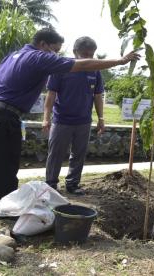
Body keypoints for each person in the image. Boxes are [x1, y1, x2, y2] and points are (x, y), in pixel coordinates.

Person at [0, 28, 140, 214]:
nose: (56, 54)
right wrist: (120, 61)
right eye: (55, 50)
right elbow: (82, 65)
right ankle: (8, 216)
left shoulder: (15, 55)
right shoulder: (39, 57)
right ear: (43, 44)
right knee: (5, 167)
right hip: (2, 116)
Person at [43, 36, 105, 195]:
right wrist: (46, 117)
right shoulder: (62, 67)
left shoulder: (95, 70)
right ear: (75, 52)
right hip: (62, 120)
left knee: (79, 154)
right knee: (56, 154)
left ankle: (73, 184)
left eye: (91, 55)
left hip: (84, 121)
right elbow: (51, 94)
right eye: (84, 54)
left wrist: (101, 118)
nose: (88, 58)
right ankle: (50, 184)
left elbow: (98, 96)